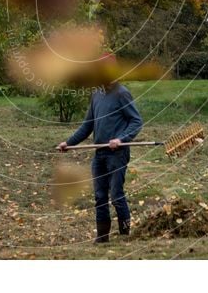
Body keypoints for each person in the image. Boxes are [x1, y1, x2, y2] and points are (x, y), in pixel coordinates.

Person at [57, 70, 143, 243]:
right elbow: (87, 125)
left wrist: (121, 139)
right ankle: (102, 237)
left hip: (117, 154)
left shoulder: (122, 93)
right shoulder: (96, 94)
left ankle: (125, 236)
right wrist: (69, 143)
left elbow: (136, 121)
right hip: (100, 154)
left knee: (116, 194)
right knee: (100, 196)